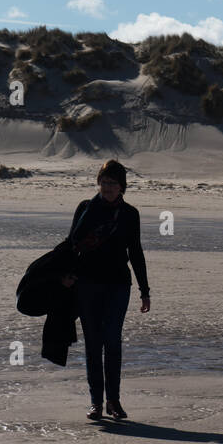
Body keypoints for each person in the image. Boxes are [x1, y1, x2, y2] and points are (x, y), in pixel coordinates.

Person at [60, 159, 150, 421]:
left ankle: (113, 401)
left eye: (113, 183)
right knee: (93, 343)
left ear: (123, 187)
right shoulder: (86, 208)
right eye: (104, 182)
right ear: (98, 183)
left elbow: (135, 252)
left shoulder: (130, 214)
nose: (108, 187)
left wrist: (145, 290)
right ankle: (95, 403)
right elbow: (72, 243)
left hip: (118, 285)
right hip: (87, 284)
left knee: (111, 341)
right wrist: (67, 274)